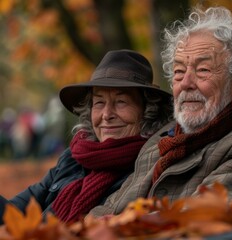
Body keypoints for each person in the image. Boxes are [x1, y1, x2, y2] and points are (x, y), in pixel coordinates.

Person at [88, 6, 232, 217]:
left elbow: (203, 218)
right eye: (178, 71)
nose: (186, 83)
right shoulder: (163, 140)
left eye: (203, 70)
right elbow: (107, 211)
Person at [0, 49, 172, 224]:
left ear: (148, 111)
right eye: (99, 102)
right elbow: (13, 215)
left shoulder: (152, 165)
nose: (106, 114)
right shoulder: (73, 159)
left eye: (121, 102)